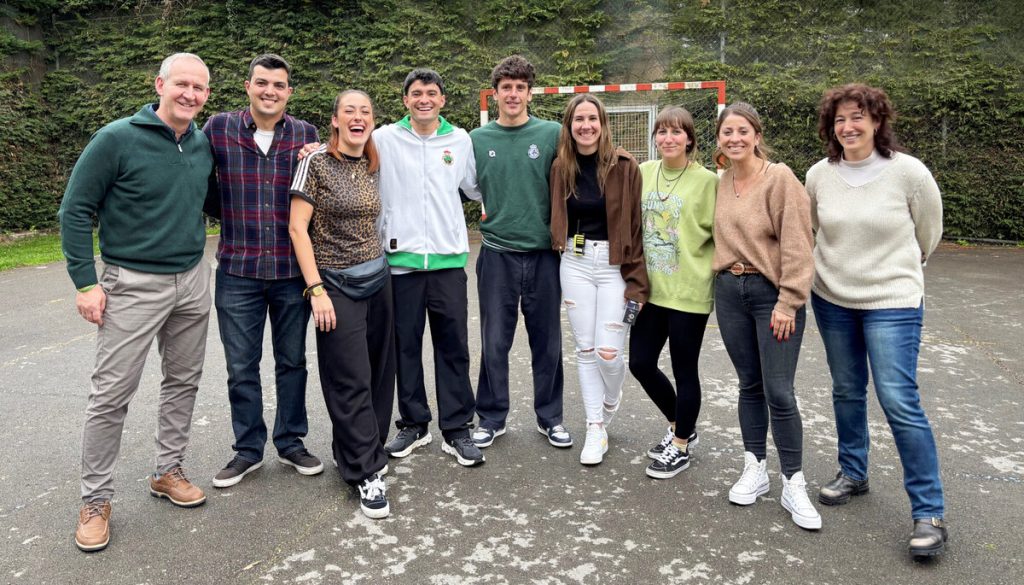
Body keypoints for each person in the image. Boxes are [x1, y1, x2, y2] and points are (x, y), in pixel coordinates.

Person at [59, 53, 214, 552]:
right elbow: (75, 210)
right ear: (160, 85)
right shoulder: (116, 138)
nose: (191, 94)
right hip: (131, 284)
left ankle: (167, 471)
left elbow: (212, 201)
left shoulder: (202, 141)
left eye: (200, 87)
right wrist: (86, 282)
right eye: (182, 85)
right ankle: (95, 500)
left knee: (183, 382)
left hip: (192, 280)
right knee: (111, 396)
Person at [806, 83, 946, 557]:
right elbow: (812, 230)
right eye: (840, 119)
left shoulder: (909, 173)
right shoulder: (819, 176)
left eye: (858, 117)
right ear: (831, 127)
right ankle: (854, 473)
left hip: (892, 301)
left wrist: (901, 274)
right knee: (846, 390)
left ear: (878, 122)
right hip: (832, 299)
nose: (849, 127)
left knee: (899, 400)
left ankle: (928, 512)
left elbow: (929, 232)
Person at [203, 54, 323, 489]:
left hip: (291, 271)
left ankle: (290, 441)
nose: (270, 90)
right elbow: (201, 184)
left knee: (292, 360)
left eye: (279, 84)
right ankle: (248, 450)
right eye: (262, 83)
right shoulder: (218, 128)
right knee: (241, 365)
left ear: (289, 91)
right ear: (248, 86)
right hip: (238, 269)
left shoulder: (307, 135)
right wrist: (228, 215)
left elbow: (320, 186)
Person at [712, 102, 821, 530]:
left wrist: (789, 300)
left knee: (780, 390)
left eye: (742, 131)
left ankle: (794, 481)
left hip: (769, 294)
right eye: (727, 132)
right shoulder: (721, 181)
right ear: (719, 139)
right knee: (749, 385)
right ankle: (754, 467)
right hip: (729, 291)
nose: (734, 138)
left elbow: (798, 241)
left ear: (757, 135)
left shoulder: (779, 178)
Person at [288, 90, 395, 519]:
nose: (357, 117)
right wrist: (316, 291)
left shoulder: (372, 162)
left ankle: (359, 450)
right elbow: (298, 230)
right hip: (335, 288)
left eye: (365, 112)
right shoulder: (314, 164)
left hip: (378, 280)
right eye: (349, 111)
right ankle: (367, 473)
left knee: (379, 375)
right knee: (349, 379)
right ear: (333, 120)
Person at [374, 68, 485, 467]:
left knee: (454, 347)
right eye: (417, 92)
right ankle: (414, 424)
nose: (424, 98)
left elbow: (475, 187)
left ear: (442, 100)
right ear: (405, 100)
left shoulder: (461, 139)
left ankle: (456, 430)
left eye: (432, 93)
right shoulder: (384, 137)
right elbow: (348, 155)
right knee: (405, 347)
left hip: (448, 261)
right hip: (399, 264)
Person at [470, 55, 571, 449]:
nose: (513, 94)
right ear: (494, 94)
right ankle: (492, 417)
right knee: (494, 340)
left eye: (520, 87)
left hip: (545, 255)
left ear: (530, 93)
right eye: (505, 88)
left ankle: (551, 417)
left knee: (548, 342)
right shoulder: (476, 140)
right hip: (496, 254)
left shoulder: (551, 134)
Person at [549, 94, 648, 465]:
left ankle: (611, 398)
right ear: (570, 126)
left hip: (613, 267)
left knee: (609, 353)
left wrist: (638, 282)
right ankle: (595, 427)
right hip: (573, 263)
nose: (586, 125)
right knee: (586, 350)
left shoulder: (624, 166)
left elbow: (636, 229)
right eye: (579, 119)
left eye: (592, 118)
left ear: (603, 124)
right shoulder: (561, 166)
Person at [627, 106, 719, 479]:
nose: (668, 138)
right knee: (640, 363)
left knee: (685, 370)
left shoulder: (708, 181)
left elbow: (723, 233)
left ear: (690, 138)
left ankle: (680, 445)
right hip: (651, 291)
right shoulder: (644, 173)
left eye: (676, 132)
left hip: (688, 291)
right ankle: (681, 424)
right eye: (662, 132)